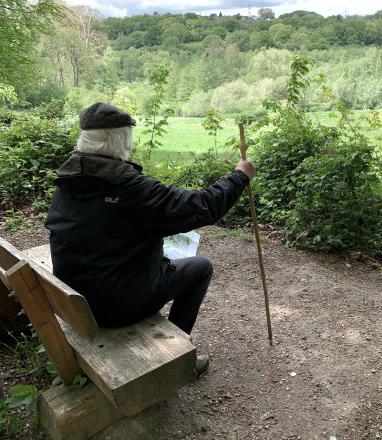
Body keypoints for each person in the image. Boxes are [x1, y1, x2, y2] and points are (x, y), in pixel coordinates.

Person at [44, 102, 255, 377]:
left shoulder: (69, 178)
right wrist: (240, 176)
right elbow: (202, 205)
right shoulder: (131, 188)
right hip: (113, 307)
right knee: (200, 267)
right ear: (122, 141)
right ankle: (177, 356)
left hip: (75, 298)